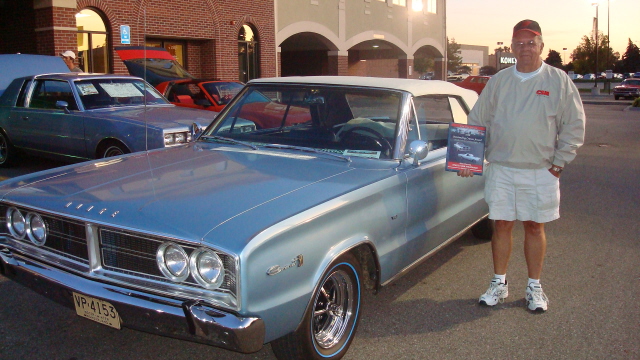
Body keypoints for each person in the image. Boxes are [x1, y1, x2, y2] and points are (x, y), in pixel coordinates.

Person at [458, 20, 585, 312]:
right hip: (501, 168)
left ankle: (534, 287)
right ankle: (499, 283)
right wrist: (468, 158)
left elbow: (574, 125)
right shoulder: (499, 81)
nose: (525, 48)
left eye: (531, 42)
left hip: (541, 170)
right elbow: (477, 120)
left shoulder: (558, 80)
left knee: (534, 225)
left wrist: (559, 162)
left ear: (541, 46)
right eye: (520, 43)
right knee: (501, 225)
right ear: (512, 47)